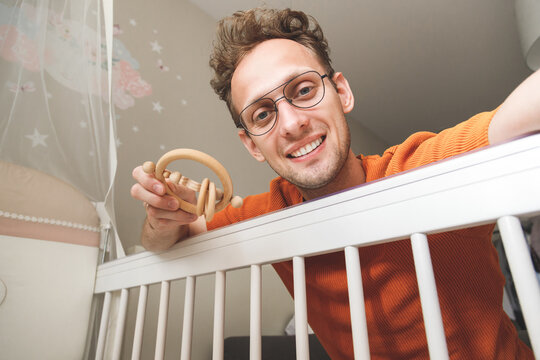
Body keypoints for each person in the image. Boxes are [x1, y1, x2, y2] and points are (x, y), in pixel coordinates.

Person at [131, 8, 539, 359]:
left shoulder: (418, 167)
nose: (291, 124)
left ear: (341, 92)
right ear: (252, 145)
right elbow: (161, 244)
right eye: (261, 114)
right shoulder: (268, 214)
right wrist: (163, 217)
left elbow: (516, 117)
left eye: (303, 90)